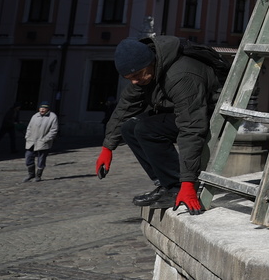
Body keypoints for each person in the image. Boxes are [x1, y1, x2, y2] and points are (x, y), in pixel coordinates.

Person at [95, 35, 222, 214]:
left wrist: (188, 183)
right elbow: (125, 107)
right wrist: (107, 147)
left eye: (137, 75)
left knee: (146, 129)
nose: (134, 81)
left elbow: (191, 128)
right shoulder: (145, 71)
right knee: (129, 128)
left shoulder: (181, 76)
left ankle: (176, 186)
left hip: (207, 114)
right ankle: (166, 184)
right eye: (129, 78)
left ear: (151, 62)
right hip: (183, 112)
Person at [23, 101, 58, 181]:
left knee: (41, 159)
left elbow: (54, 130)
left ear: (47, 109)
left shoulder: (52, 117)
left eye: (44, 108)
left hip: (43, 142)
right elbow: (29, 127)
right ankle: (31, 174)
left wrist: (45, 139)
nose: (42, 110)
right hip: (31, 141)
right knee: (28, 157)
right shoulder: (35, 116)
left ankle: (38, 176)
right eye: (41, 108)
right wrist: (27, 137)